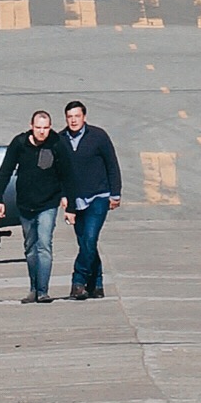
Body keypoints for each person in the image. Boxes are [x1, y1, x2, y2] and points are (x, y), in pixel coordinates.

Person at [0, 106, 69, 302]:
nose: (42, 131)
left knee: (44, 245)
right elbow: (5, 171)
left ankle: (43, 291)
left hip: (48, 203)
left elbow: (67, 173)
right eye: (38, 127)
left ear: (50, 127)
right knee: (30, 247)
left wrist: (67, 198)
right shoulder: (19, 143)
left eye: (45, 128)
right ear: (31, 127)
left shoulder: (57, 143)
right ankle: (34, 288)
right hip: (25, 204)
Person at [60, 98, 122, 301]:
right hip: (75, 201)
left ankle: (78, 282)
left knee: (90, 238)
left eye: (77, 116)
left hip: (99, 196)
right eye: (70, 117)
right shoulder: (60, 139)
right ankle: (97, 284)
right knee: (86, 243)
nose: (73, 120)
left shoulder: (98, 136)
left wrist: (115, 193)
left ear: (84, 117)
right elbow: (58, 173)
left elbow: (112, 164)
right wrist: (62, 197)